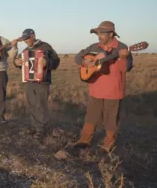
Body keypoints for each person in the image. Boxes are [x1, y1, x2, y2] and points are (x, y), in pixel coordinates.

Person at [70, 21, 133, 152]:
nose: (99, 36)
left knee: (111, 118)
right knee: (91, 116)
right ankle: (85, 140)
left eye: (102, 33)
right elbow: (78, 57)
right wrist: (83, 61)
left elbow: (126, 68)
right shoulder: (94, 46)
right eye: (98, 33)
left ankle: (109, 142)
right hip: (95, 87)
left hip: (113, 89)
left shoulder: (122, 48)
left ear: (111, 34)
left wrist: (122, 58)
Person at [14, 29, 60, 140]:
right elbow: (19, 62)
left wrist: (47, 62)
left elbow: (56, 61)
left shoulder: (45, 46)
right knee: (31, 104)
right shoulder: (25, 50)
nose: (26, 41)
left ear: (33, 35)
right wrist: (16, 62)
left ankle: (41, 129)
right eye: (24, 39)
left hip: (42, 81)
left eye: (28, 38)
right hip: (29, 81)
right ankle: (35, 126)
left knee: (41, 105)